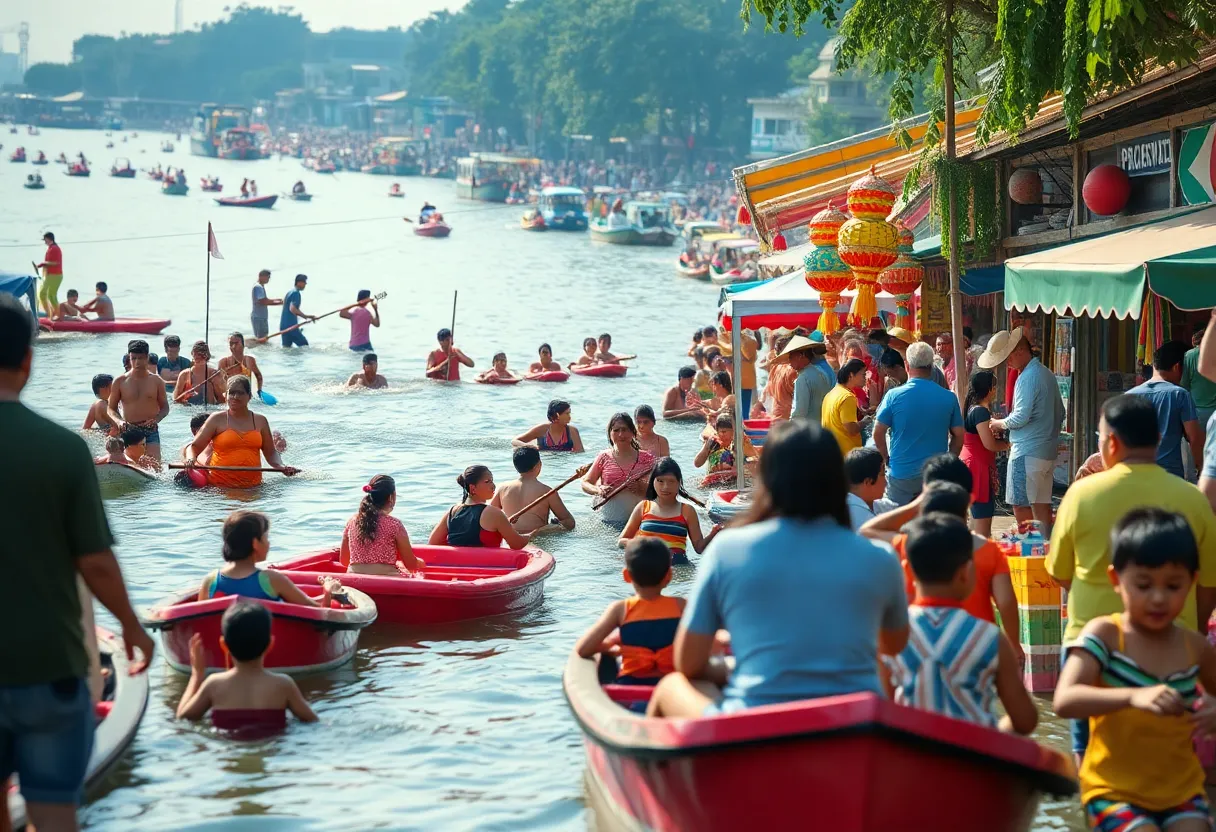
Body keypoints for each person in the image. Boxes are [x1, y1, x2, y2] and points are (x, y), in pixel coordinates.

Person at [0, 294, 154, 832]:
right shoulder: (63, 450)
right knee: (55, 814)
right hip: (49, 669)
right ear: (28, 362)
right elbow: (97, 562)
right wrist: (132, 627)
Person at [645, 421, 909, 718]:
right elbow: (893, 644)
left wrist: (731, 667)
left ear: (767, 479)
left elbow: (688, 661)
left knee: (671, 685)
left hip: (757, 722)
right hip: (854, 722)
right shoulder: (879, 557)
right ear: (837, 480)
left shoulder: (727, 550)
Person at [1048, 394, 1216, 762]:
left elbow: (1059, 574)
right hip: (1172, 649)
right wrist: (1194, 631)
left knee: (1089, 758)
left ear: (1110, 443)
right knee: (1171, 759)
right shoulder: (1192, 499)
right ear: (1158, 441)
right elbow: (1208, 585)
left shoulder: (1080, 495)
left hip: (1092, 651)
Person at [1054, 508, 1216, 829]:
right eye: (1143, 585)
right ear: (1116, 579)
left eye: (1173, 586)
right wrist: (1133, 697)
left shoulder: (1195, 646)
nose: (1158, 598)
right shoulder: (1105, 635)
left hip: (1181, 790)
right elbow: (1065, 699)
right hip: (1112, 790)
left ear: (1192, 582)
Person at [889, 513, 1037, 734]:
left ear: (907, 570)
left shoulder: (890, 635)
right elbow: (1025, 721)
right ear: (967, 573)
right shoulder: (990, 638)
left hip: (911, 758)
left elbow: (882, 706)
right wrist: (991, 730)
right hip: (973, 760)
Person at [862, 475, 1022, 665]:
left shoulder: (910, 544)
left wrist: (916, 505)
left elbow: (866, 532)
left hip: (920, 641)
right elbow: (1005, 601)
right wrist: (1013, 645)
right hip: (975, 646)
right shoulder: (988, 549)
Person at [176, 603, 318, 733]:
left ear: (223, 645)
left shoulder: (214, 684)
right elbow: (312, 721)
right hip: (271, 745)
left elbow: (183, 718)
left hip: (227, 746)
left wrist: (197, 675)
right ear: (270, 644)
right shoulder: (283, 685)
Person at [982, 328, 1066, 535]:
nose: (1007, 363)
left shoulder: (1028, 377)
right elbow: (1061, 413)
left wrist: (997, 423)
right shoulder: (1045, 373)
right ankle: (1046, 547)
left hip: (1027, 451)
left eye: (1008, 357)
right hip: (1045, 450)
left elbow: (1020, 417)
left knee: (1021, 504)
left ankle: (1032, 548)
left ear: (1019, 350)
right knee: (1042, 504)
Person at [575, 538, 686, 686]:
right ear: (669, 576)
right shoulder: (681, 606)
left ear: (626, 575)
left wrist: (611, 647)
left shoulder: (620, 609)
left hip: (631, 686)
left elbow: (583, 649)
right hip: (671, 686)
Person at [872, 342, 964, 506]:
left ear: (907, 365)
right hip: (936, 475)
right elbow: (959, 436)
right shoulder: (948, 397)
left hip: (901, 474)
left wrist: (886, 458)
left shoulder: (893, 396)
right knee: (933, 523)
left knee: (897, 523)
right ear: (931, 366)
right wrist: (949, 460)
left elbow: (878, 432)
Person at [198, 512, 338, 606]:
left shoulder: (210, 581)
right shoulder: (271, 580)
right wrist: (327, 591)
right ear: (255, 543)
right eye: (266, 537)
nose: (269, 543)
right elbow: (319, 611)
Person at [184, 377, 299, 488]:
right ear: (226, 396)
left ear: (249, 396)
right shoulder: (216, 419)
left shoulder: (261, 421)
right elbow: (194, 447)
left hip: (254, 487)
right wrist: (190, 459)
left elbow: (271, 453)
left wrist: (281, 466)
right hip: (218, 488)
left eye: (240, 393)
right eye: (232, 393)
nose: (235, 397)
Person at [618, 457, 720, 566]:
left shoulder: (687, 511)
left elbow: (699, 548)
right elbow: (621, 542)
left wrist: (713, 533)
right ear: (653, 481)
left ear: (679, 482)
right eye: (660, 481)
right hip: (647, 569)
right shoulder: (643, 507)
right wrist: (643, 545)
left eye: (671, 481)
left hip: (678, 569)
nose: (665, 487)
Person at [1126, 340, 1203, 479]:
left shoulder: (1129, 395)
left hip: (1134, 475)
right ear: (1177, 367)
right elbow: (1194, 437)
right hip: (1169, 477)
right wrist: (1201, 467)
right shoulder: (1180, 395)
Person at [428, 465, 531, 549]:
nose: (493, 486)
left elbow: (433, 542)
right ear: (473, 488)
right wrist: (533, 535)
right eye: (488, 482)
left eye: (492, 481)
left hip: (456, 566)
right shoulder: (494, 513)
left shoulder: (452, 511)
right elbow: (517, 544)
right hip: (487, 568)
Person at [582, 413, 658, 523]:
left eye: (625, 429)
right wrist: (598, 490)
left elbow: (661, 488)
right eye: (616, 430)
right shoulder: (604, 457)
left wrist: (641, 487)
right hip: (611, 519)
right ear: (610, 434)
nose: (621, 434)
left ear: (633, 432)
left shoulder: (647, 458)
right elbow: (585, 483)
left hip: (642, 518)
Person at [960, 370, 1009, 537]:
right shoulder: (980, 412)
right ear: (989, 389)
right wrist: (1009, 444)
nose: (996, 391)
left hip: (972, 463)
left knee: (975, 518)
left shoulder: (972, 409)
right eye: (994, 387)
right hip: (978, 465)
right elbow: (990, 444)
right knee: (982, 522)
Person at [341, 475, 421, 575]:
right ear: (391, 496)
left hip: (353, 580)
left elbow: (344, 561)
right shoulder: (395, 525)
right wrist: (421, 563)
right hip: (387, 583)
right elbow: (411, 565)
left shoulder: (352, 522)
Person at [106, 339, 169, 462]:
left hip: (150, 429)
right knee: (128, 464)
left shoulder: (157, 381)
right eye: (133, 358)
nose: (136, 362)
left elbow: (165, 407)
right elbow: (110, 408)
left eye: (140, 358)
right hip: (128, 429)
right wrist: (119, 421)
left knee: (155, 467)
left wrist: (156, 419)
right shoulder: (120, 381)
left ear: (146, 357)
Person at [492, 447, 577, 534]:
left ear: (515, 466)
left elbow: (487, 515)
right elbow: (570, 523)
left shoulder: (502, 488)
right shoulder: (547, 491)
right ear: (539, 465)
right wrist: (554, 526)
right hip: (537, 536)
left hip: (511, 536)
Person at [1182, 324, 1216, 475]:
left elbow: (1184, 385)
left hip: (1197, 411)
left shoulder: (1189, 356)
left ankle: (1200, 473)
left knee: (1197, 447)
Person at [780, 335, 834, 423]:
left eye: (791, 357)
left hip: (808, 429)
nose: (789, 362)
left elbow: (799, 413)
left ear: (801, 355)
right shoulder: (821, 371)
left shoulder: (802, 379)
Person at [821, 358, 868, 453]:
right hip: (846, 454)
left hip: (832, 451)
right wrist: (865, 421)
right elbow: (851, 429)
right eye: (863, 374)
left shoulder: (831, 393)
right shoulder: (847, 397)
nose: (865, 378)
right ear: (851, 375)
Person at [717, 328, 759, 417]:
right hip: (738, 380)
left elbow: (750, 354)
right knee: (737, 409)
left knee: (744, 412)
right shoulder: (724, 336)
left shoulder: (747, 338)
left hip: (744, 380)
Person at [513, 399, 583, 452]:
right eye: (567, 414)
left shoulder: (572, 431)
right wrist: (528, 446)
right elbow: (515, 441)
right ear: (557, 415)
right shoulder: (542, 429)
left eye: (569, 413)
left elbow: (579, 453)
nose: (570, 417)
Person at [845, 447, 888, 531]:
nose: (886, 482)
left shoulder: (874, 504)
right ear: (868, 482)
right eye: (883, 474)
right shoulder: (858, 517)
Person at [174, 341, 226, 406]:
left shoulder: (214, 374)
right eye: (195, 354)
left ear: (207, 356)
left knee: (208, 386)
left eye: (201, 355)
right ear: (192, 354)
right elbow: (176, 399)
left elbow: (221, 400)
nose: (198, 357)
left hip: (209, 410)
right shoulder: (184, 374)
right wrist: (185, 395)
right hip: (189, 410)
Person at [279, 274, 315, 348]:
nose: (305, 284)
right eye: (304, 282)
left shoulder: (290, 292)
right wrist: (305, 316)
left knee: (286, 348)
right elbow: (292, 309)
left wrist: (307, 316)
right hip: (291, 327)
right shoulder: (296, 293)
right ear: (299, 282)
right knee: (305, 346)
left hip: (283, 326)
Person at [36, 231, 63, 319]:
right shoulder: (51, 248)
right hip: (51, 275)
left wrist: (42, 264)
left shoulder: (54, 248)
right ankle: (50, 313)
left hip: (55, 275)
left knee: (50, 295)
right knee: (43, 294)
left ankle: (57, 315)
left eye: (45, 239)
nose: (44, 241)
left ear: (49, 239)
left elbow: (56, 263)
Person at [250, 269, 283, 341]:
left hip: (261, 317)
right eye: (268, 277)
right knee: (261, 339)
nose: (268, 279)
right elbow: (263, 302)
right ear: (261, 276)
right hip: (259, 317)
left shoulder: (260, 286)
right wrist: (279, 303)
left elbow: (265, 299)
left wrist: (276, 300)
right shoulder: (258, 287)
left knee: (263, 338)